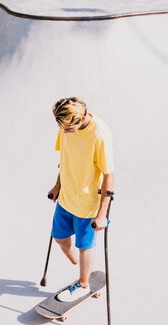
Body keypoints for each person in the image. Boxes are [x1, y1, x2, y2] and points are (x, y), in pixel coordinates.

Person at [47, 97, 115, 302]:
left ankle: (83, 284)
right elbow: (65, 158)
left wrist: (102, 214)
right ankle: (77, 263)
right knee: (59, 238)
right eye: (62, 127)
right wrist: (57, 185)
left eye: (68, 127)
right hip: (66, 196)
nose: (64, 131)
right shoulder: (66, 124)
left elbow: (109, 174)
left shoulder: (100, 134)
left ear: (82, 118)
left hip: (87, 203)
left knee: (84, 245)